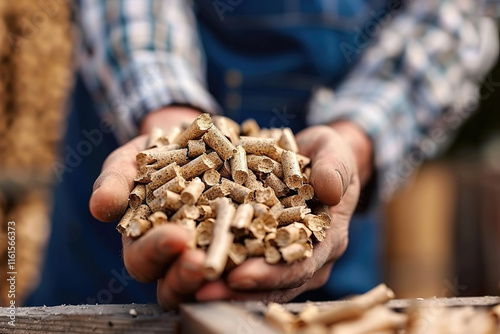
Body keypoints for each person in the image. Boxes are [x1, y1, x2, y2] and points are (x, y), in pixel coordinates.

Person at [26, 0, 498, 309]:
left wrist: (355, 138)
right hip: (104, 267)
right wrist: (165, 111)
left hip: (328, 239)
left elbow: (458, 15)